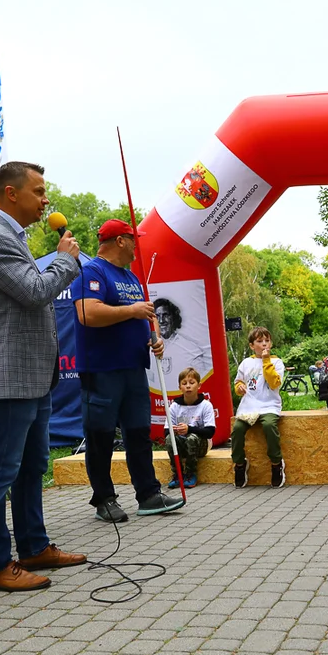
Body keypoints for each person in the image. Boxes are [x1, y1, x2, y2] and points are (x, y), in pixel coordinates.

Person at [0, 161, 87, 592]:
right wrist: (66, 262)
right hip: (7, 374)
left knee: (32, 466)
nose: (45, 199)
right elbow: (34, 293)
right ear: (11, 194)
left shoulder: (14, 238)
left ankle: (33, 546)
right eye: (39, 191)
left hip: (32, 374)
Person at [72, 218, 184, 523]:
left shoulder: (133, 278)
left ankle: (148, 494)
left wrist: (155, 338)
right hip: (101, 369)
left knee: (139, 435)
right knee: (100, 437)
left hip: (134, 367)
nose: (138, 244)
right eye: (134, 238)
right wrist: (131, 311)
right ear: (120, 241)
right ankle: (104, 499)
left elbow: (146, 317)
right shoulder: (91, 271)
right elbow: (87, 312)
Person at [231, 326, 286, 488]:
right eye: (260, 341)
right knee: (237, 429)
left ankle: (276, 463)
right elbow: (238, 381)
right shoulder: (246, 363)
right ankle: (240, 464)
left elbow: (274, 382)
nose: (264, 344)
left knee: (269, 425)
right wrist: (239, 387)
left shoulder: (276, 362)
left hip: (269, 405)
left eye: (267, 341)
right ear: (251, 345)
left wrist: (266, 360)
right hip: (249, 406)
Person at [165, 367, 216, 489]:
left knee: (191, 438)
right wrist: (177, 430)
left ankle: (190, 473)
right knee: (169, 439)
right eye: (184, 383)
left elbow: (210, 432)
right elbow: (166, 431)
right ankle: (177, 474)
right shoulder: (174, 406)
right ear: (180, 387)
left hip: (200, 445)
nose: (188, 386)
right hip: (182, 443)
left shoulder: (206, 405)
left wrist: (190, 429)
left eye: (192, 383)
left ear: (199, 386)